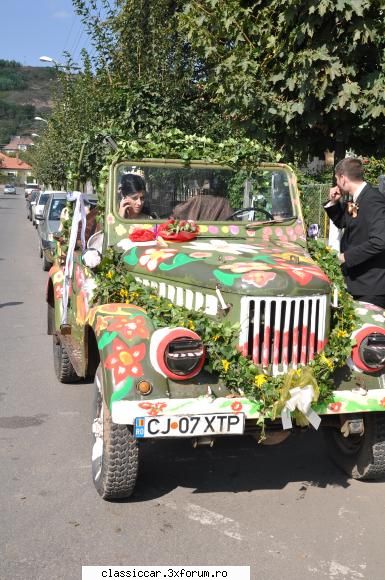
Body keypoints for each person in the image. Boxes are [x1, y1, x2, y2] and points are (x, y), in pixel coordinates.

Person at [324, 157, 385, 309]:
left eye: (337, 179)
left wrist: (345, 257)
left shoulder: (373, 200)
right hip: (357, 283)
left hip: (370, 288)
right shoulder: (357, 199)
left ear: (343, 179)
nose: (336, 184)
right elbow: (344, 222)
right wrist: (333, 203)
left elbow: (380, 241)